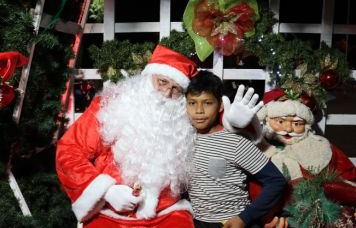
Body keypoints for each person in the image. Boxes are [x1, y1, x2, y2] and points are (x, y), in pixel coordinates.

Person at [56, 44, 199, 227]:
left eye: (176, 89)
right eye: (162, 82)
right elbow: (69, 150)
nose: (166, 93)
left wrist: (231, 123)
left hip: (166, 213)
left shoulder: (185, 118)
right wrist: (106, 191)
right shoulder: (110, 106)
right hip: (108, 212)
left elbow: (216, 125)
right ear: (147, 77)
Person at [185, 71, 287, 228]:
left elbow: (276, 181)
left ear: (220, 106)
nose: (199, 111)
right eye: (192, 103)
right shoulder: (184, 139)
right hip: (198, 221)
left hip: (231, 222)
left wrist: (245, 218)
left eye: (207, 103)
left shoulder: (235, 142)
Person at [250, 88, 356, 224]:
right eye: (281, 122)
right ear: (267, 119)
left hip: (323, 217)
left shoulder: (321, 147)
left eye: (297, 123)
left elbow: (349, 176)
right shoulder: (256, 151)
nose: (288, 129)